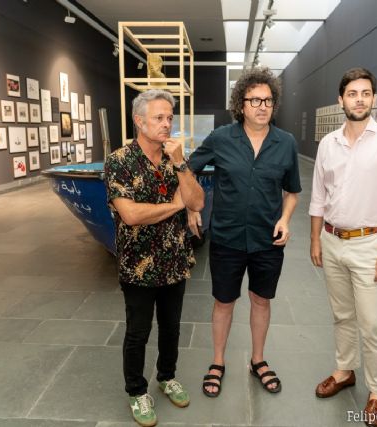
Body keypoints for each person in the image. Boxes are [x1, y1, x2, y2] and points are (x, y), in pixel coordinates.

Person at [309, 67, 377, 427]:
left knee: (372, 322)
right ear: (341, 100)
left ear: (373, 98)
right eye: (352, 93)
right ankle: (344, 371)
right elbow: (319, 197)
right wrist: (315, 239)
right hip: (333, 240)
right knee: (342, 315)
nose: (359, 99)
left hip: (372, 243)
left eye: (365, 93)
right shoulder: (328, 144)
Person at [188, 67, 301, 398]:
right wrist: (193, 207)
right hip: (227, 237)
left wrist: (286, 219)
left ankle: (258, 360)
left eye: (267, 100)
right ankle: (218, 362)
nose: (262, 106)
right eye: (254, 100)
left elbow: (292, 190)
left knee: (260, 300)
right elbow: (188, 170)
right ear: (241, 104)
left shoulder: (286, 143)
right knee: (224, 302)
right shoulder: (222, 138)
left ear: (274, 104)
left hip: (268, 239)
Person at [105, 89, 204, 427]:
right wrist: (176, 206)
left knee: (172, 328)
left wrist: (180, 165)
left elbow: (198, 201)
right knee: (138, 331)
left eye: (169, 118)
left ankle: (166, 376)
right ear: (139, 120)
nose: (166, 125)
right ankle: (136, 391)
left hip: (175, 260)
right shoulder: (119, 160)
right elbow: (130, 215)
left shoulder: (175, 159)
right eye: (159, 118)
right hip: (138, 266)